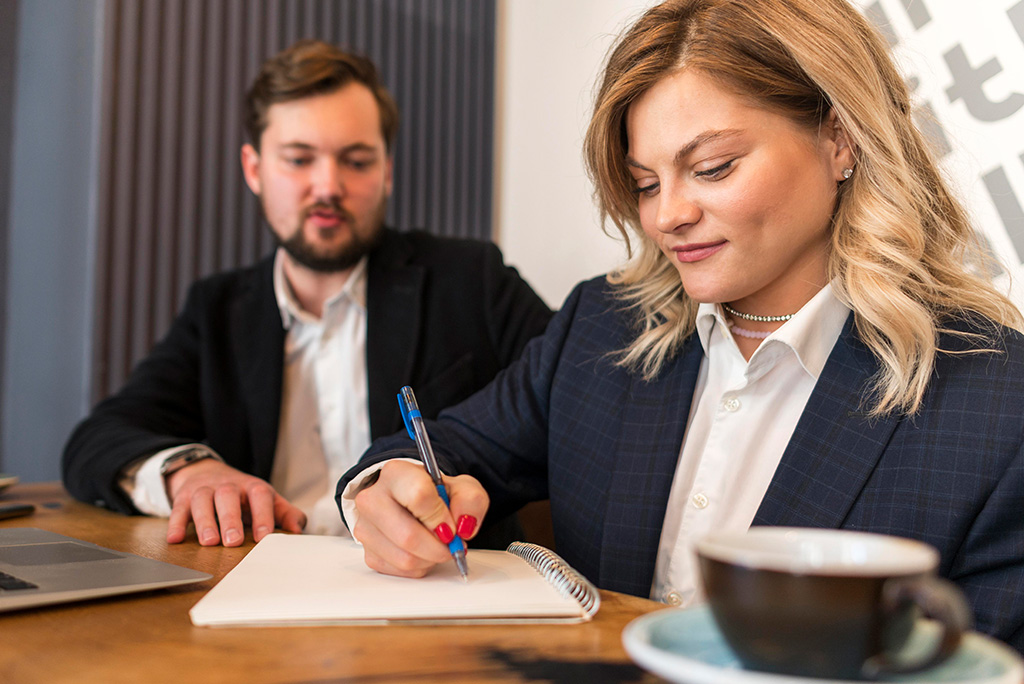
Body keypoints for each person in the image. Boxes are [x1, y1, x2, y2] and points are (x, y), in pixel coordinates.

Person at [337, 0, 1024, 652]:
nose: (667, 216)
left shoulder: (996, 406)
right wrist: (392, 490)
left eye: (711, 168)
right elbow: (443, 447)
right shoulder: (601, 327)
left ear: (839, 139)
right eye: (645, 183)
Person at [61, 40, 552, 548]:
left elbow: (574, 391)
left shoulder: (471, 279)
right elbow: (97, 440)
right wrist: (191, 473)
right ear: (254, 170)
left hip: (439, 590)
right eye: (299, 159)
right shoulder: (218, 312)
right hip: (259, 589)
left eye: (357, 161)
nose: (327, 186)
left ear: (387, 172)